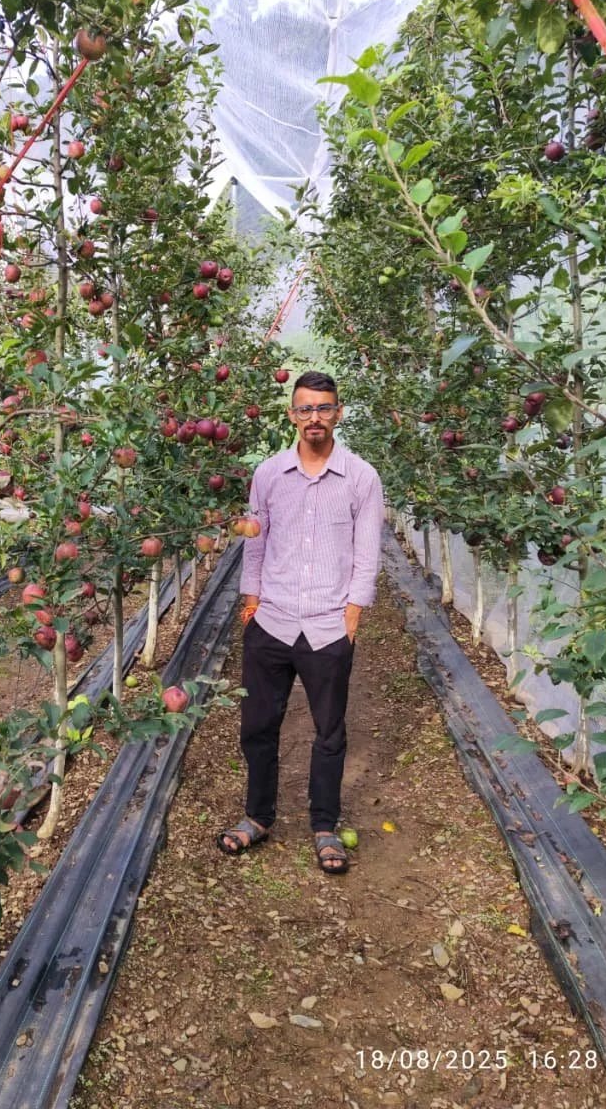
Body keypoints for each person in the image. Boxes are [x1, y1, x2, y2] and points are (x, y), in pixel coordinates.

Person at [217, 371, 384, 874]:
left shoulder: (361, 478)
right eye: (306, 408)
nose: (315, 417)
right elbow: (255, 543)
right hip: (271, 621)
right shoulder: (268, 474)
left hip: (329, 627)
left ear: (338, 413)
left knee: (329, 731)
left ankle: (325, 824)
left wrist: (352, 616)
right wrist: (251, 605)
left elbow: (367, 554)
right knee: (257, 726)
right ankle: (258, 816)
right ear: (292, 415)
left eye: (324, 408)